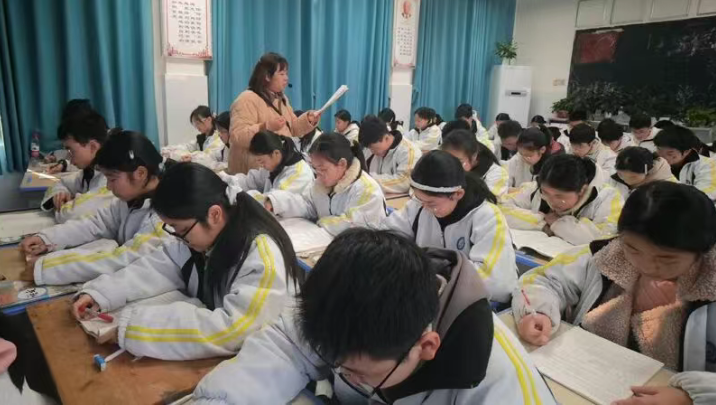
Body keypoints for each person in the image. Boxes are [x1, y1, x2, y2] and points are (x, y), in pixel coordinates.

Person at [193, 228, 556, 404]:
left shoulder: (502, 389)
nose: (339, 371)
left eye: (355, 372)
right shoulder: (342, 305)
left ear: (426, 346)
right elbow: (283, 346)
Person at [72, 163, 305, 360]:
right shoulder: (203, 237)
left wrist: (132, 329)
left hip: (266, 365)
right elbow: (160, 264)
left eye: (181, 229)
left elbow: (233, 331)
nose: (178, 237)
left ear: (214, 215)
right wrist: (102, 293)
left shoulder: (262, 258)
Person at [514, 182, 716, 405]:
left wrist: (691, 395)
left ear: (703, 251)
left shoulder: (710, 285)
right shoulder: (604, 255)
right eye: (633, 249)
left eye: (666, 259)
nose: (646, 265)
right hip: (585, 380)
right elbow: (544, 281)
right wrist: (538, 311)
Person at [19, 131, 168, 285]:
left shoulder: (165, 217)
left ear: (140, 173)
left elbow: (123, 259)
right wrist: (47, 238)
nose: (108, 187)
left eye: (112, 179)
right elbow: (96, 223)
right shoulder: (132, 198)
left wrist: (47, 268)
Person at [385, 151, 517, 302]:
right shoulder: (418, 206)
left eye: (431, 203)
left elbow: (498, 284)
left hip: (470, 303)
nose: (424, 208)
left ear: (458, 194)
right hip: (427, 292)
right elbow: (389, 239)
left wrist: (435, 269)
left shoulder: (487, 217)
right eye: (420, 200)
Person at [263, 133, 386, 236]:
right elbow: (307, 204)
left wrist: (321, 222)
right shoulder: (321, 185)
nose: (318, 174)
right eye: (315, 169)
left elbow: (353, 225)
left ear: (342, 164)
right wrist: (277, 202)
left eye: (323, 169)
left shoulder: (367, 190)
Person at [228, 52, 320, 174]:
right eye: (281, 74)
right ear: (267, 76)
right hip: (253, 171)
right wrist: (265, 127)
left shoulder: (281, 98)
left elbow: (293, 128)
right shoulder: (247, 99)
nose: (286, 78)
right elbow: (237, 137)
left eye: (286, 73)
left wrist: (308, 120)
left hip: (277, 167)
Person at [501, 154, 623, 245]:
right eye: (546, 193)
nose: (552, 201)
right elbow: (501, 208)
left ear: (581, 190)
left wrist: (558, 224)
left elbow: (605, 241)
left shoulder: (608, 198)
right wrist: (542, 223)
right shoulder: (536, 189)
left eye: (559, 196)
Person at [41, 112, 114, 223]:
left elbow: (69, 215)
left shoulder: (111, 180)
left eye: (71, 151)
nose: (70, 160)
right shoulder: (90, 171)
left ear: (93, 147)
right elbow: (60, 183)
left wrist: (64, 205)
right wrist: (60, 194)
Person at [218, 130, 313, 202]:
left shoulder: (298, 174)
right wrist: (226, 179)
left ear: (276, 153)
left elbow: (271, 201)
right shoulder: (275, 164)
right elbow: (251, 181)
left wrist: (238, 194)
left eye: (261, 161)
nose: (261, 165)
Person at [359, 115, 421, 194]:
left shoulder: (409, 151)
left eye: (374, 148)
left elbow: (405, 182)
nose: (372, 152)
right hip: (376, 193)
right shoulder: (371, 147)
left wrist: (369, 179)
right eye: (369, 148)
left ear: (386, 138)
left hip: (398, 198)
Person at [655, 125, 716, 203]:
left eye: (670, 153)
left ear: (686, 151)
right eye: (659, 150)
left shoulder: (708, 165)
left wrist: (666, 176)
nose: (662, 156)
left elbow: (703, 196)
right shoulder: (652, 161)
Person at [442, 129, 508, 198]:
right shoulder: (442, 166)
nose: (451, 166)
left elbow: (489, 200)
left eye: (458, 162)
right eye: (447, 160)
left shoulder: (496, 174)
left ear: (474, 156)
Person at [608, 147, 676, 198]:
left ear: (646, 171)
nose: (625, 179)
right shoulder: (612, 180)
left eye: (633, 177)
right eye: (620, 174)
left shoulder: (667, 186)